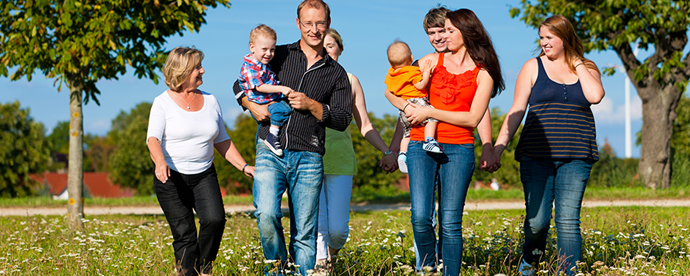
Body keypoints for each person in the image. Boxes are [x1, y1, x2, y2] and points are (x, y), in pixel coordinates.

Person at [231, 1, 352, 275]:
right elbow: (240, 82)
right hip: (269, 149)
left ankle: (304, 272)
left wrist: (312, 105)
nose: (314, 29)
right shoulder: (279, 54)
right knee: (265, 213)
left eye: (319, 23)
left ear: (328, 24)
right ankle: (276, 268)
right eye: (308, 23)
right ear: (298, 24)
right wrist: (251, 106)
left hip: (309, 155)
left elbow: (343, 119)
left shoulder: (336, 73)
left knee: (305, 229)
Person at [386, 8, 504, 275]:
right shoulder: (429, 61)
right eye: (437, 31)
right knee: (419, 219)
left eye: (449, 30)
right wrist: (396, 143)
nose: (443, 36)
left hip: (459, 148)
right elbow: (405, 99)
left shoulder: (482, 73)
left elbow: (475, 115)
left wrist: (487, 144)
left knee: (450, 223)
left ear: (466, 32)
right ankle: (427, 269)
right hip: (420, 144)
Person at [491, 14, 604, 276]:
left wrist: (576, 62)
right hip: (536, 155)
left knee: (568, 221)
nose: (544, 42)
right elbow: (517, 110)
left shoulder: (587, 67)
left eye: (549, 37)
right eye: (541, 37)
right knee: (537, 221)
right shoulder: (533, 67)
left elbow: (595, 96)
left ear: (565, 38)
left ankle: (568, 272)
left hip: (577, 155)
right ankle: (530, 261)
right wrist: (498, 146)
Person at [147, 46, 255, 276]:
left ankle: (204, 269)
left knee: (215, 220)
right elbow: (153, 139)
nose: (202, 70)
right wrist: (159, 162)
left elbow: (222, 140)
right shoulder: (162, 103)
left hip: (203, 174)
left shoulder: (211, 101)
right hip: (170, 177)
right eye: (197, 67)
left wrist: (244, 166)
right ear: (183, 70)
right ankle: (188, 272)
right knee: (185, 234)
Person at [315, 28, 398, 271]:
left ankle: (331, 256)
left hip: (340, 161)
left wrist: (386, 151)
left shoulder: (350, 80)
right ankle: (321, 266)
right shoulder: (306, 77)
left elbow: (365, 124)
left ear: (340, 49)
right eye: (321, 46)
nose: (325, 50)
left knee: (338, 231)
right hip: (309, 158)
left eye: (330, 45)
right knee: (318, 226)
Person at [238, 24, 294, 156]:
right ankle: (272, 136)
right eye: (264, 49)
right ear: (252, 47)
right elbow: (259, 86)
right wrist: (281, 88)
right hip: (262, 102)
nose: (269, 54)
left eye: (272, 50)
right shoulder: (249, 67)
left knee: (285, 109)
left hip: (268, 100)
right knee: (282, 109)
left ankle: (271, 134)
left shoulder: (263, 64)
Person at [385, 40, 442, 160]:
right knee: (433, 117)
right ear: (411, 58)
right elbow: (420, 85)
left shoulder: (390, 75)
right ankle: (429, 141)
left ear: (390, 63)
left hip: (404, 109)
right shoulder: (411, 71)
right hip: (417, 102)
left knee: (407, 134)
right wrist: (426, 72)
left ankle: (403, 154)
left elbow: (390, 90)